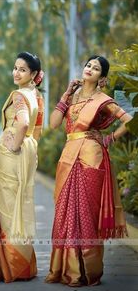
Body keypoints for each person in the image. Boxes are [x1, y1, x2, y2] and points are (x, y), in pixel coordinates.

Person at [45, 55, 132, 287]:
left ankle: (87, 271)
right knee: (64, 211)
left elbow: (130, 120)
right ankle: (65, 269)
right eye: (88, 65)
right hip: (68, 156)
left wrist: (110, 138)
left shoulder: (103, 100)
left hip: (90, 158)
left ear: (102, 77)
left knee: (86, 215)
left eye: (96, 68)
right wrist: (65, 94)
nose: (90, 69)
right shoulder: (72, 97)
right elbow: (53, 124)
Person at [0, 52, 44, 282]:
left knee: (9, 206)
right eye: (15, 67)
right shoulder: (36, 95)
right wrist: (28, 146)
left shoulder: (20, 96)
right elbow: (37, 128)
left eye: (22, 69)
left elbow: (22, 122)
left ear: (33, 74)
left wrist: (14, 145)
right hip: (29, 150)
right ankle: (23, 265)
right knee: (21, 203)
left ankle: (11, 266)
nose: (16, 72)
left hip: (14, 153)